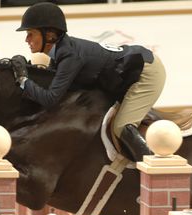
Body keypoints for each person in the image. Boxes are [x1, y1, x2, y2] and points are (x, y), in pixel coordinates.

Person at [11, 2, 166, 162]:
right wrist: (30, 72)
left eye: (30, 34)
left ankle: (154, 168)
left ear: (49, 35)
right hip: (130, 69)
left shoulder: (69, 56)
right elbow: (51, 86)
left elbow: (50, 99)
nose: (26, 39)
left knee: (121, 127)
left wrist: (23, 79)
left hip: (147, 72)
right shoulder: (61, 52)